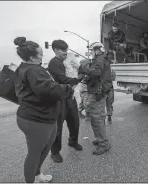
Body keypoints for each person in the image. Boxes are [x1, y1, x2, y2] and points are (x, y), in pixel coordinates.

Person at [13, 37, 72, 183]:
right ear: (32, 57)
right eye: (39, 54)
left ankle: (37, 175)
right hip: (35, 119)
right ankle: (30, 181)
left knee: (46, 147)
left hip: (44, 116)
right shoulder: (33, 71)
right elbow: (50, 90)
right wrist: (68, 87)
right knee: (35, 152)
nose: (42, 56)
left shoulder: (26, 67)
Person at [48, 40, 83, 163]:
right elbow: (61, 79)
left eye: (67, 50)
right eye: (63, 50)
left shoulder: (66, 61)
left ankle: (73, 141)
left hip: (70, 96)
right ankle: (55, 152)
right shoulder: (54, 63)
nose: (66, 53)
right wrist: (76, 80)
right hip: (59, 99)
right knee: (58, 127)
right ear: (56, 50)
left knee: (75, 121)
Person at [79, 42, 112, 155]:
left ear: (97, 50)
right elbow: (98, 74)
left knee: (97, 118)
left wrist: (84, 66)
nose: (91, 52)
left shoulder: (99, 59)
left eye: (92, 50)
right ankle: (99, 138)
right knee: (98, 117)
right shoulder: (102, 58)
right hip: (100, 91)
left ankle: (103, 144)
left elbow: (97, 72)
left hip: (98, 92)